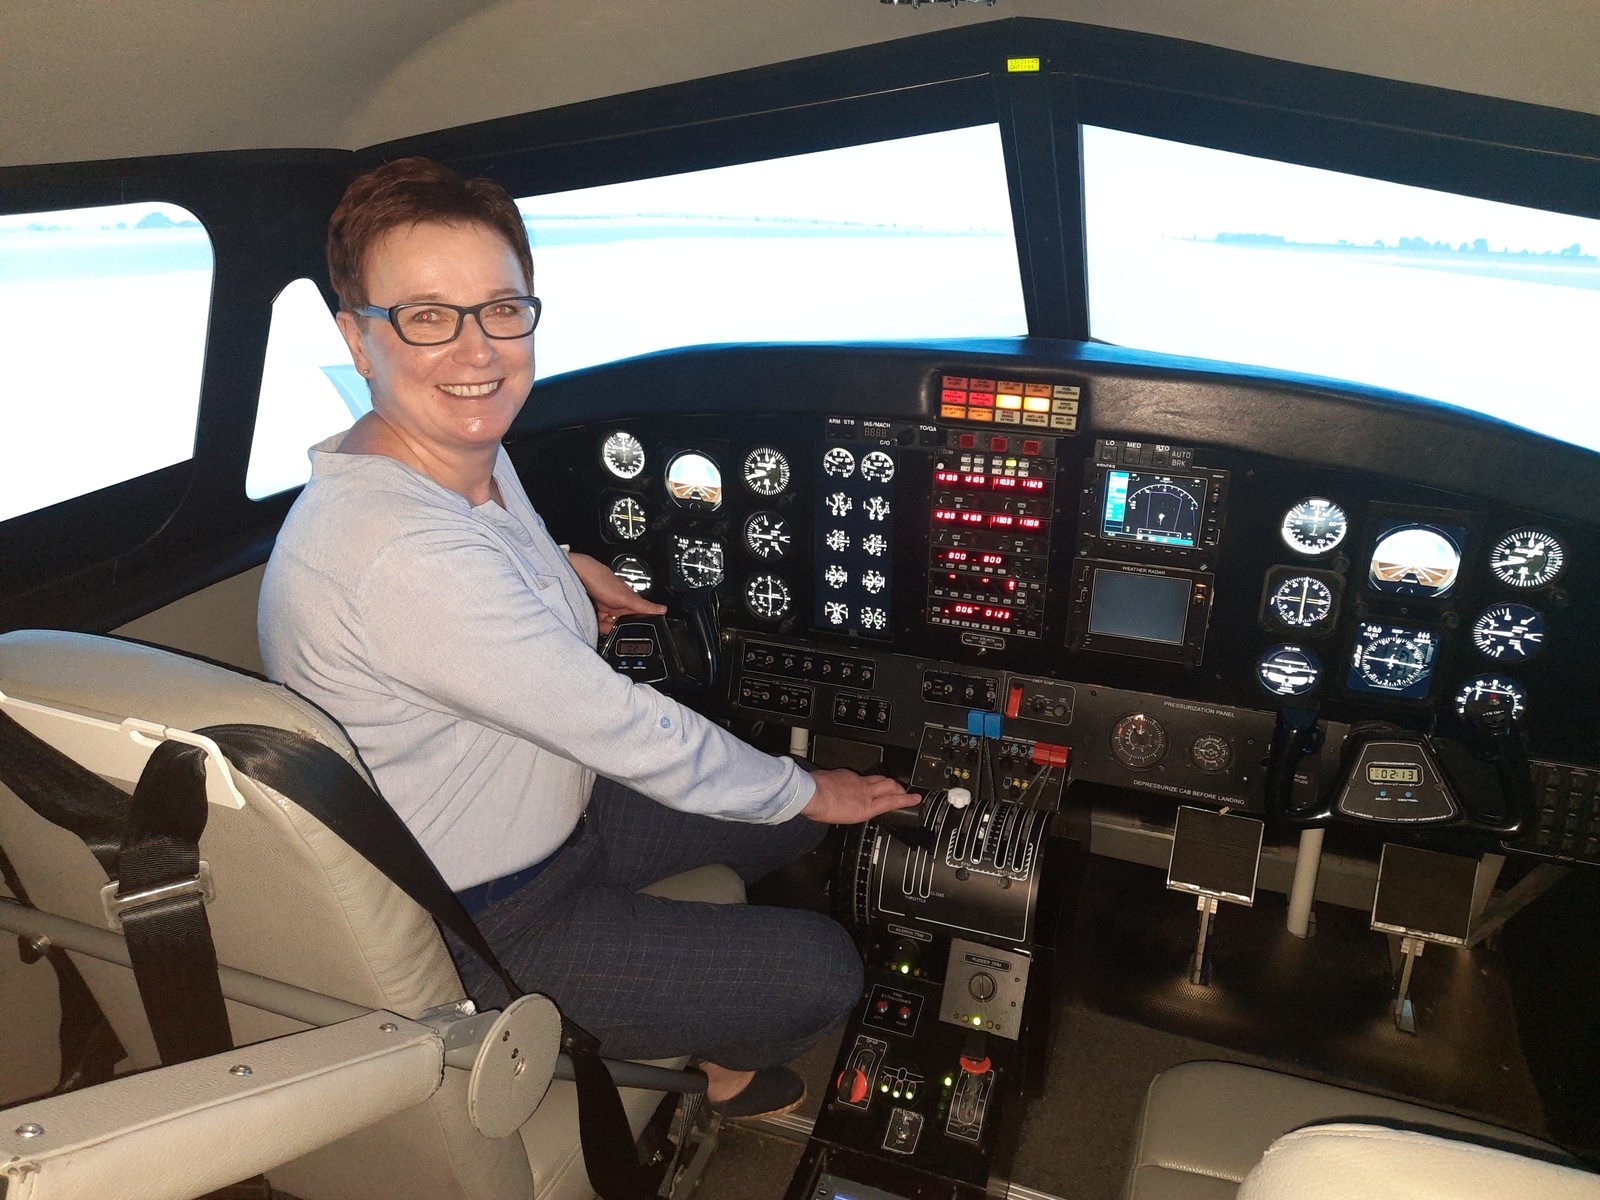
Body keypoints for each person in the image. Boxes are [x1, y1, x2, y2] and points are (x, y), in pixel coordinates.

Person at [258, 156, 918, 1118]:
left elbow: (474, 578)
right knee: (823, 961)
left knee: (786, 817)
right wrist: (812, 786)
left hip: (545, 809)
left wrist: (561, 570)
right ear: (357, 339)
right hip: (486, 920)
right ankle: (722, 1073)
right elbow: (625, 725)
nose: (477, 351)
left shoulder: (447, 458)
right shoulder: (400, 553)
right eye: (427, 316)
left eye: (500, 309)